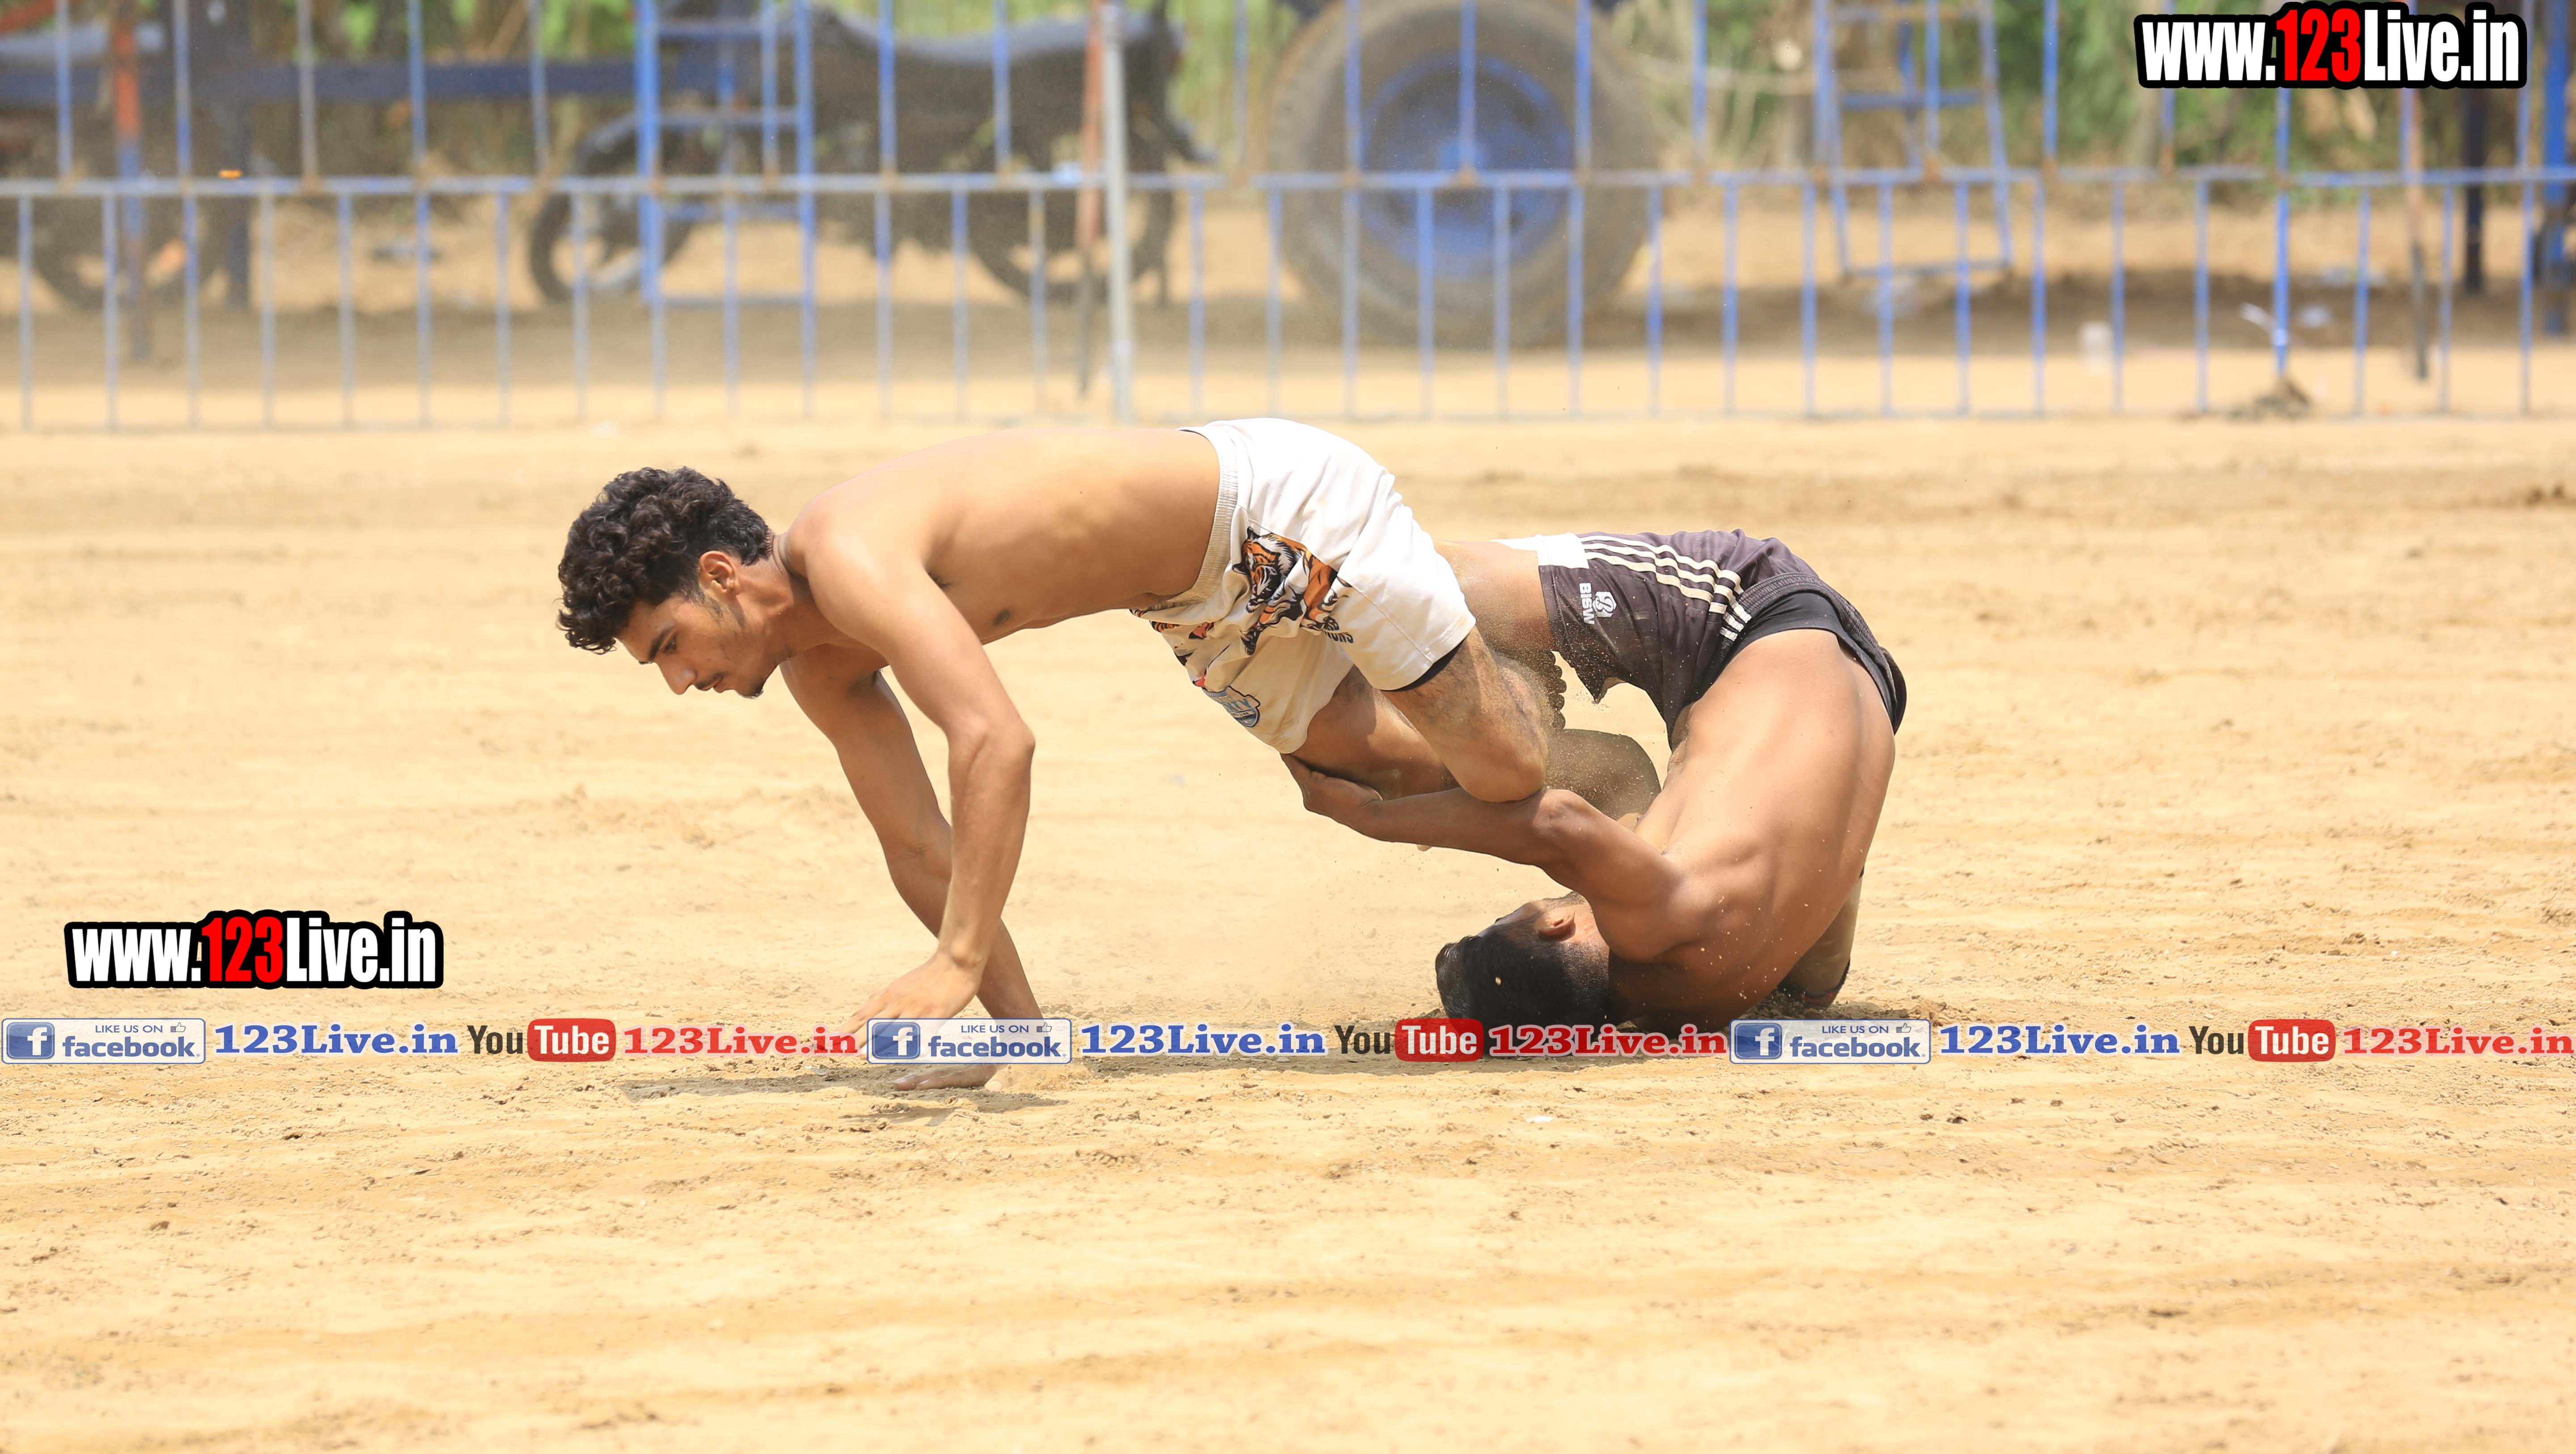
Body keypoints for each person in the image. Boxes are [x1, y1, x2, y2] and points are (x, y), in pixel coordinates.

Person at [551, 420, 1551, 1078]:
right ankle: (1581, 765)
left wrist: (955, 960)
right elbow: (920, 846)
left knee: (1505, 770)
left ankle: (1542, 587)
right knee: (1374, 775)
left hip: (1276, 511)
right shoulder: (822, 669)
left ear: (720, 576)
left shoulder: (845, 553)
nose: (680, 681)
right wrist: (1019, 1030)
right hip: (1190, 601)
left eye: (670, 646)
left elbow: (996, 741)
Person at [1285, 527, 1905, 1031]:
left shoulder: (1698, 1004)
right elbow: (1557, 822)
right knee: (1436, 578)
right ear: (1554, 927)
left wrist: (1493, 760)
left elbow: (1621, 767)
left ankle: (1509, 691)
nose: (1562, 895)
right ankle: (1283, 557)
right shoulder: (1654, 924)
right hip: (1743, 607)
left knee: (1808, 966)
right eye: (1528, 907)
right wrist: (1375, 818)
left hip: (1866, 689)